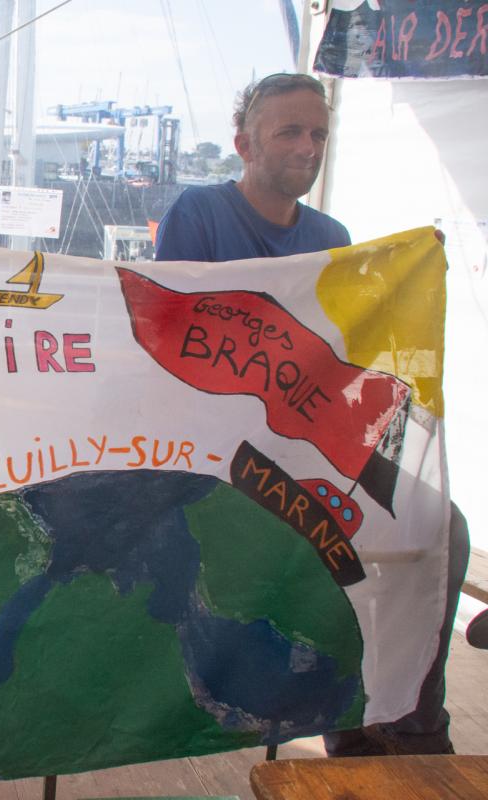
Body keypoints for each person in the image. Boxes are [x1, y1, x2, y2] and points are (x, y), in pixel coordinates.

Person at [155, 72, 470, 758]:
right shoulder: (199, 213)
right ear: (244, 144)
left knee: (443, 526)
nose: (309, 146)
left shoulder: (332, 234)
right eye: (290, 132)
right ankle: (349, 720)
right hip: (224, 455)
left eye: (320, 134)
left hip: (311, 444)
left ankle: (412, 721)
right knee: (336, 548)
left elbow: (343, 352)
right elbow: (176, 347)